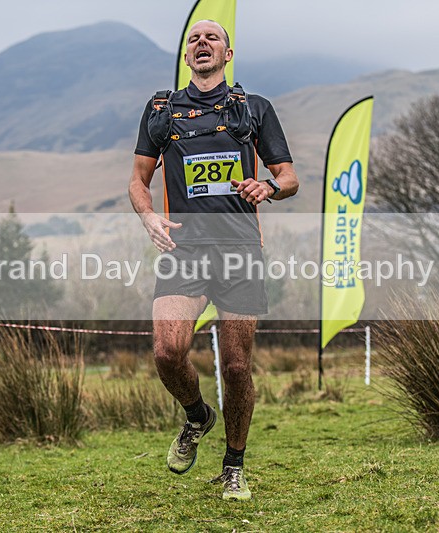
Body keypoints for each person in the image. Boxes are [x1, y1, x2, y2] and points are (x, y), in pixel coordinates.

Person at [128, 19, 298, 501]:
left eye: (212, 39)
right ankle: (198, 414)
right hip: (185, 250)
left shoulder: (254, 109)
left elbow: (289, 177)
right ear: (186, 57)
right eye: (193, 40)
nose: (202, 44)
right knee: (166, 351)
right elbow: (139, 180)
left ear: (227, 54)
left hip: (241, 250)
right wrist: (148, 218)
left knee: (238, 368)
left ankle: (233, 466)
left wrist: (267, 186)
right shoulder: (161, 110)